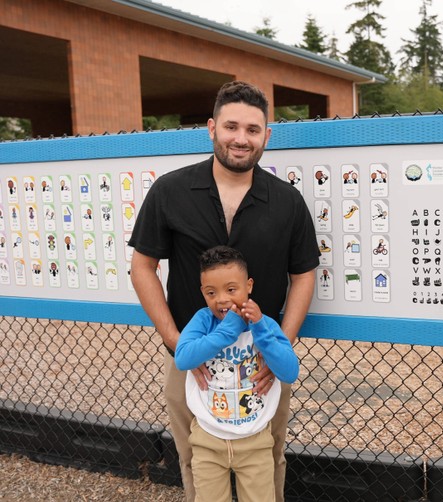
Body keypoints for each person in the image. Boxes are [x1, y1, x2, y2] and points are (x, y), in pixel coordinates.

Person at [129, 80, 320, 502]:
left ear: (266, 137)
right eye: (231, 126)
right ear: (212, 128)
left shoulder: (287, 202)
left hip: (262, 365)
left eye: (253, 130)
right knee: (195, 458)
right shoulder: (170, 190)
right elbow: (142, 267)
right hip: (190, 358)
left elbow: (304, 274)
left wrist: (280, 349)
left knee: (268, 459)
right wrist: (177, 342)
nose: (241, 138)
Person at [175, 246, 299, 502]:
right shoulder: (203, 321)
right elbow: (183, 358)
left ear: (249, 286)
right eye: (211, 292)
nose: (221, 299)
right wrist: (226, 333)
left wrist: (261, 330)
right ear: (203, 292)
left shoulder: (264, 324)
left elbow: (289, 372)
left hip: (255, 440)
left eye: (231, 290)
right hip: (208, 439)